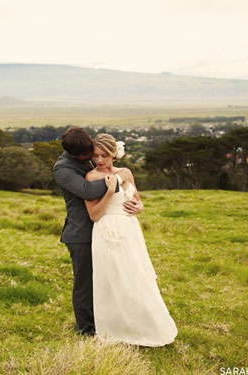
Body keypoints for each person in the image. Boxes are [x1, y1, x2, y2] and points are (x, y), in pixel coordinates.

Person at [85, 133, 177, 346]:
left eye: (104, 155)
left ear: (114, 154)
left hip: (130, 231)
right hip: (108, 232)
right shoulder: (91, 178)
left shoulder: (126, 172)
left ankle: (146, 327)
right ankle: (116, 331)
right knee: (114, 281)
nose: (99, 160)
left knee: (137, 278)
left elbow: (137, 200)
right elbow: (94, 215)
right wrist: (109, 191)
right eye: (96, 155)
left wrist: (140, 207)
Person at [53, 127, 143, 336]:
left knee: (112, 281)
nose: (95, 159)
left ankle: (112, 325)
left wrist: (138, 204)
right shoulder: (63, 168)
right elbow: (87, 190)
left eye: (97, 154)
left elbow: (131, 195)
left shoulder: (93, 156)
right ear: (76, 154)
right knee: (85, 285)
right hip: (81, 233)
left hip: (108, 231)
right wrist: (120, 179)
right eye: (90, 155)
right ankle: (86, 331)